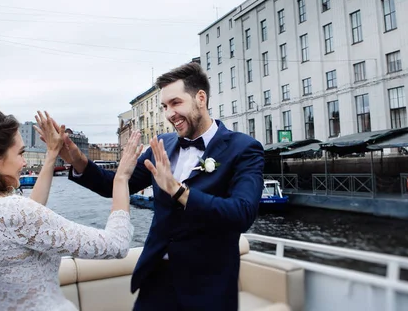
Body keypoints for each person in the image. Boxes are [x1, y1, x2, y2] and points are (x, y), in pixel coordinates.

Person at [61, 62, 265, 311]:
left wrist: (178, 190)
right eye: (164, 106)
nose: (169, 114)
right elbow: (113, 185)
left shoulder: (244, 148)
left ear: (201, 98)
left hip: (208, 289)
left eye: (176, 103)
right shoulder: (163, 144)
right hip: (155, 283)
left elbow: (241, 214)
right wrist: (76, 159)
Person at [0, 105, 142, 311]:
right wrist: (120, 178)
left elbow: (28, 214)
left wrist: (52, 154)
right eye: (21, 153)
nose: (24, 163)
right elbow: (116, 244)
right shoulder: (12, 212)